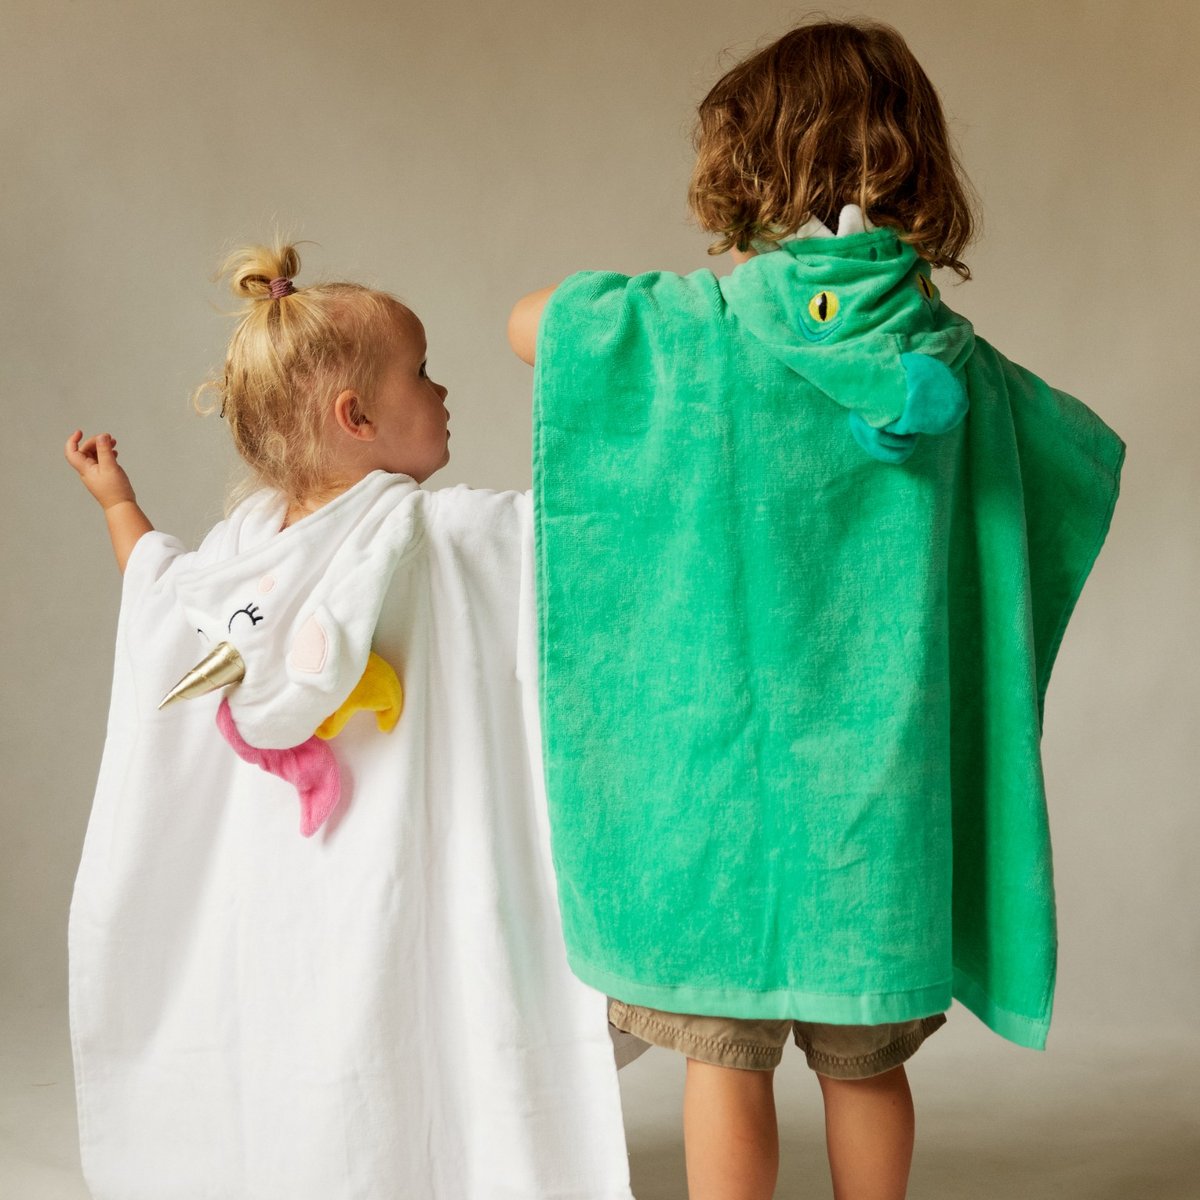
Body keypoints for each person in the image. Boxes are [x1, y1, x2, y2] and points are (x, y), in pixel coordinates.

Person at [509, 18, 1124, 1200]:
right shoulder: (954, 362)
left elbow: (532, 324)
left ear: (748, 166)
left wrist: (680, 310)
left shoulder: (693, 328)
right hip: (880, 809)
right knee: (867, 1065)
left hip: (719, 791)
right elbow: (1062, 474)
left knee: (723, 1058)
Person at [64, 243, 633, 1199]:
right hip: (413, 863)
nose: (443, 390)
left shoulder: (244, 555)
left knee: (311, 1039)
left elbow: (160, 591)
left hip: (284, 885)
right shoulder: (442, 535)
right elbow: (590, 538)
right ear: (356, 416)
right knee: (414, 1022)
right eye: (422, 370)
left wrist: (119, 502)